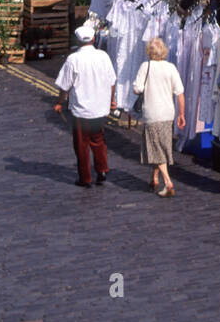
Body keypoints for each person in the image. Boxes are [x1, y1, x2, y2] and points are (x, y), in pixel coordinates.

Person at [54, 21, 117, 188]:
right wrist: (111, 101)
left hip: (81, 110)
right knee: (98, 139)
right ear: (94, 38)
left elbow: (65, 85)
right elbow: (112, 81)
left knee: (81, 144)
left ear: (78, 41)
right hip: (99, 108)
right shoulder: (103, 56)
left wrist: (59, 103)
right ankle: (102, 168)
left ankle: (85, 178)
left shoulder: (73, 59)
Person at [132, 38, 185, 197]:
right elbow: (180, 93)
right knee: (160, 145)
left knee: (156, 148)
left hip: (152, 113)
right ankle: (154, 178)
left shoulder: (145, 66)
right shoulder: (171, 68)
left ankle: (168, 183)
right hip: (168, 113)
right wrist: (181, 114)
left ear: (149, 51)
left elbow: (137, 89)